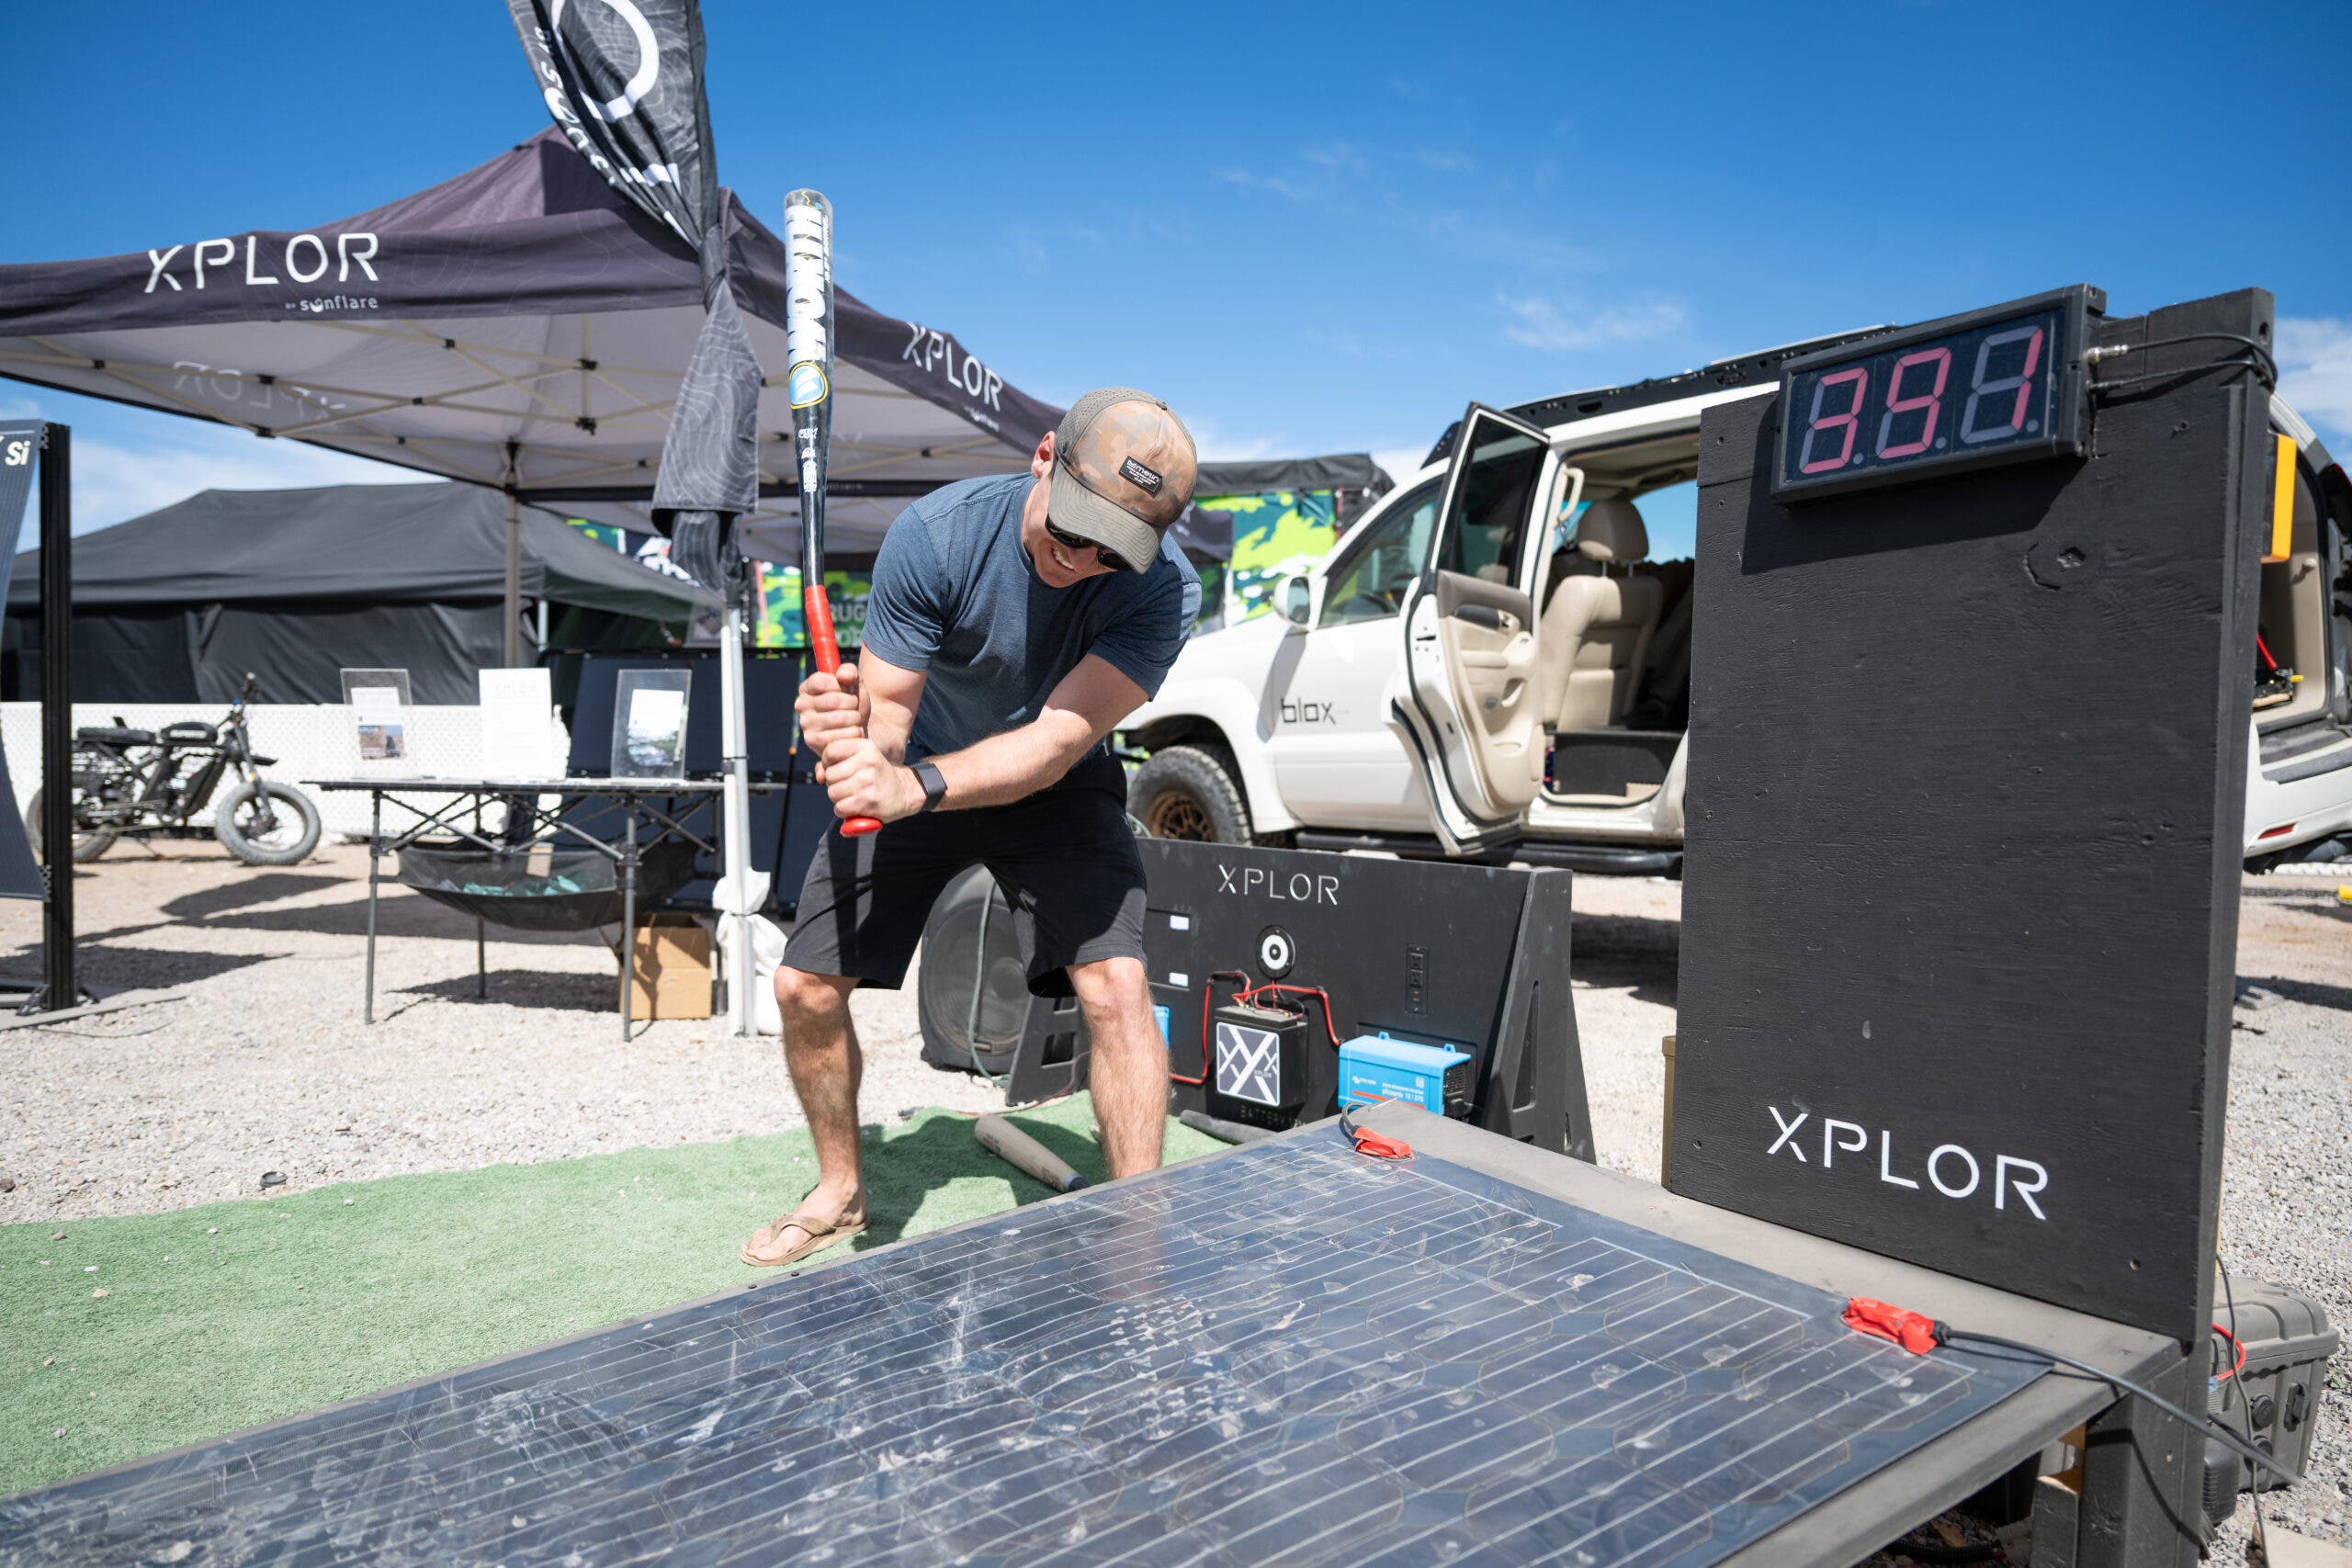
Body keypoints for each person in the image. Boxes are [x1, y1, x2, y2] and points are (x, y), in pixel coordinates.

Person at [741, 388, 1203, 1268]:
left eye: (1110, 550)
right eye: (1070, 529)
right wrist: (846, 737)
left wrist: (910, 784)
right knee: (803, 987)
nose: (1079, 560)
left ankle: (1139, 1228)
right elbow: (883, 725)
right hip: (920, 760)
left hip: (1052, 785)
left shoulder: (1163, 590)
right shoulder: (940, 532)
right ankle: (840, 1190)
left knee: (1117, 985)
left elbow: (1059, 740)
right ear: (1043, 457)